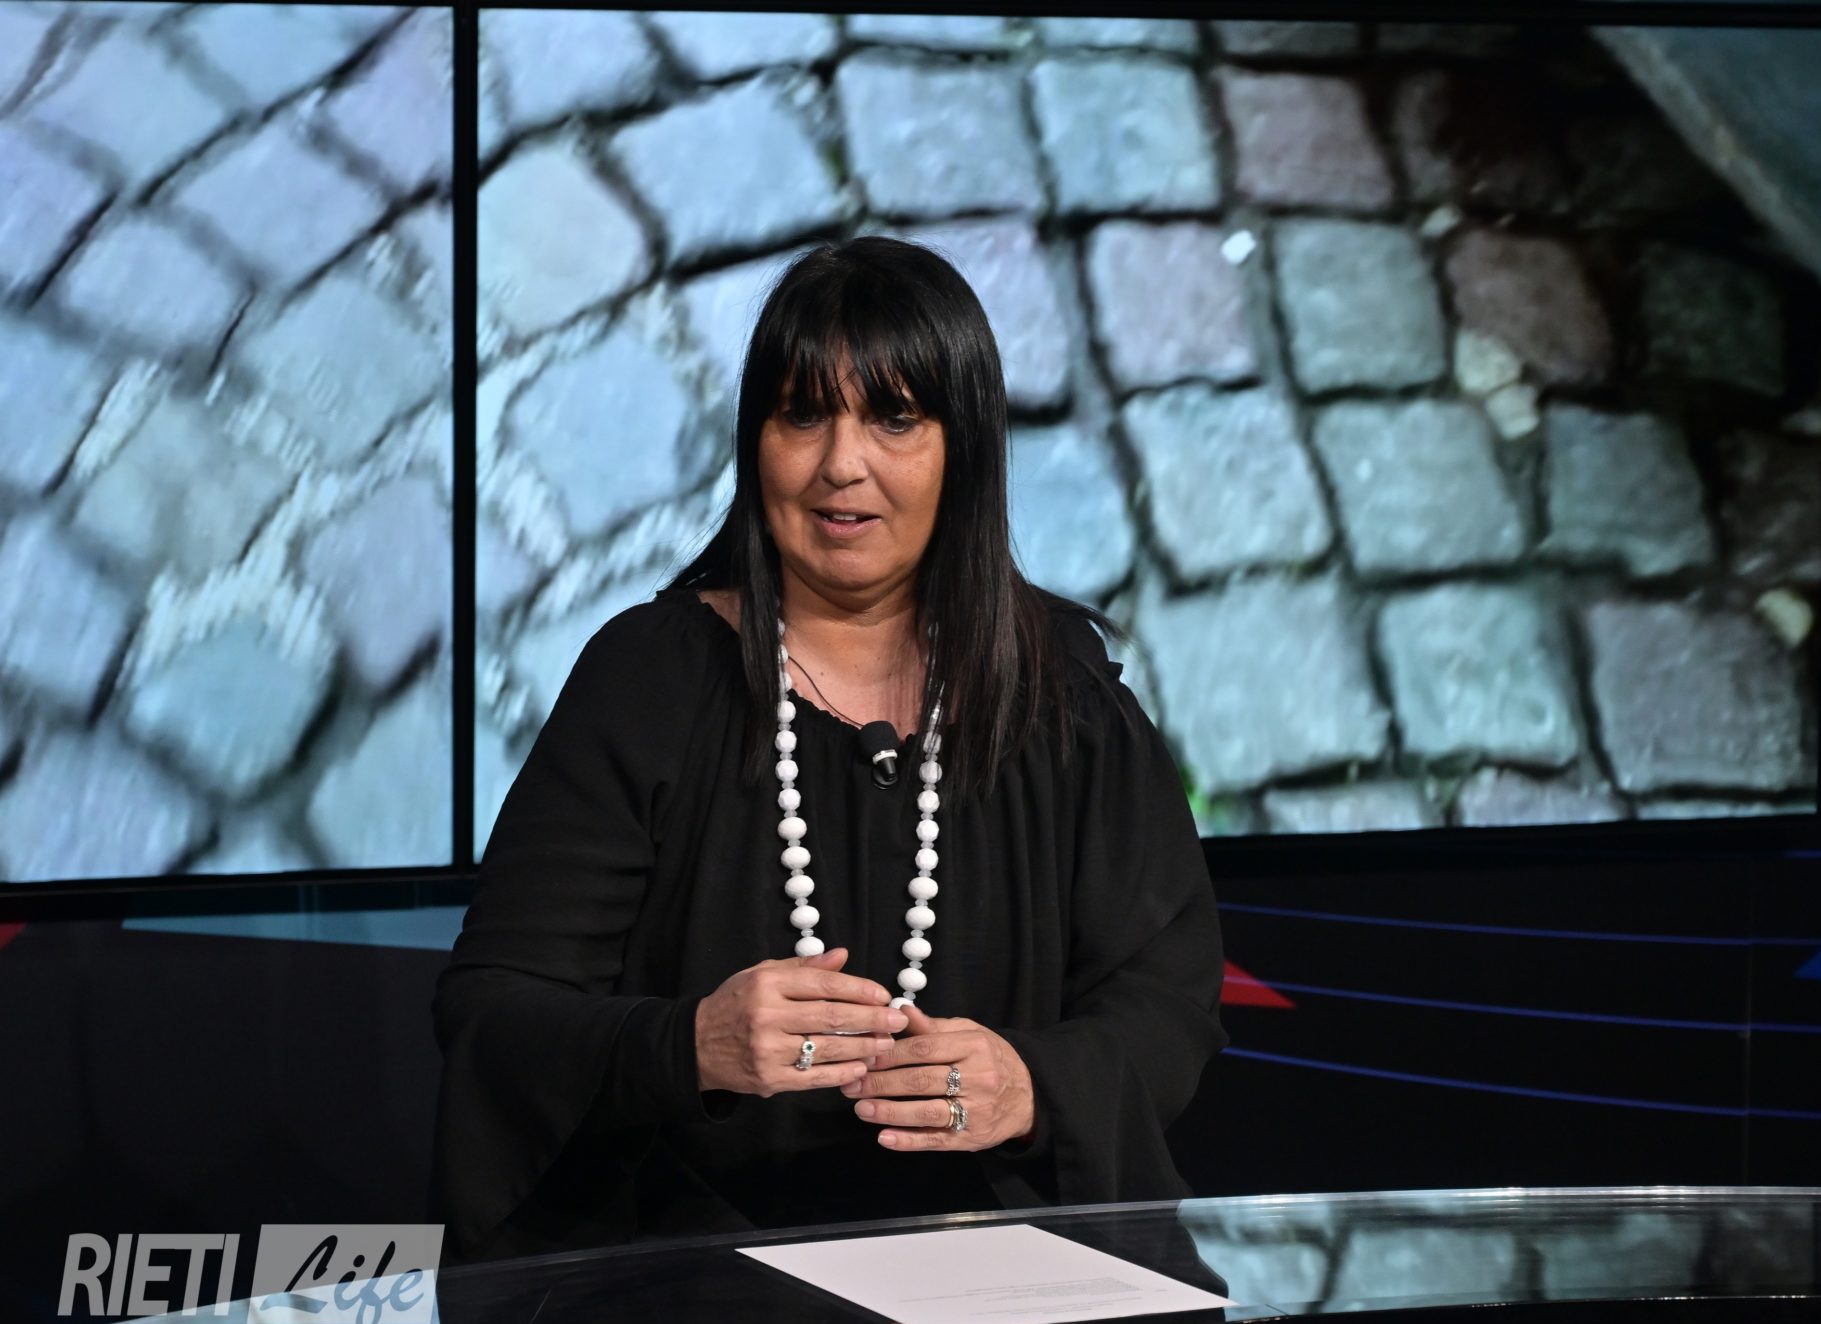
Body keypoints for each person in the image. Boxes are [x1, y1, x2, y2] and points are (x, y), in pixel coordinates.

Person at [430, 236, 1228, 1266]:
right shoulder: (650, 681)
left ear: (964, 448)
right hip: (691, 1292)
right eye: (803, 414)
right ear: (755, 440)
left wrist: (1030, 1085)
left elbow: (1164, 1003)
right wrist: (691, 1044)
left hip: (1006, 1286)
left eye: (894, 418)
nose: (840, 463)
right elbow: (494, 1014)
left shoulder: (1064, 698)